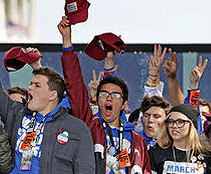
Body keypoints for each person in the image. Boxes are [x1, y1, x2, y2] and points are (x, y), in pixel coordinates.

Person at [0, 15, 95, 174]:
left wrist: (66, 41)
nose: (30, 88)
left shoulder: (76, 128)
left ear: (53, 95)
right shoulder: (17, 114)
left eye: (37, 85)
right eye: (31, 84)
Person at [57, 16, 150, 174]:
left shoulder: (137, 140)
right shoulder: (89, 125)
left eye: (115, 95)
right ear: (98, 99)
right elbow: (75, 85)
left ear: (124, 104)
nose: (109, 98)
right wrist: (67, 42)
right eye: (104, 93)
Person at [148, 104, 211, 174]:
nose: (174, 126)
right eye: (171, 122)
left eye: (180, 122)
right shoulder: (156, 152)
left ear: (192, 125)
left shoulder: (207, 155)